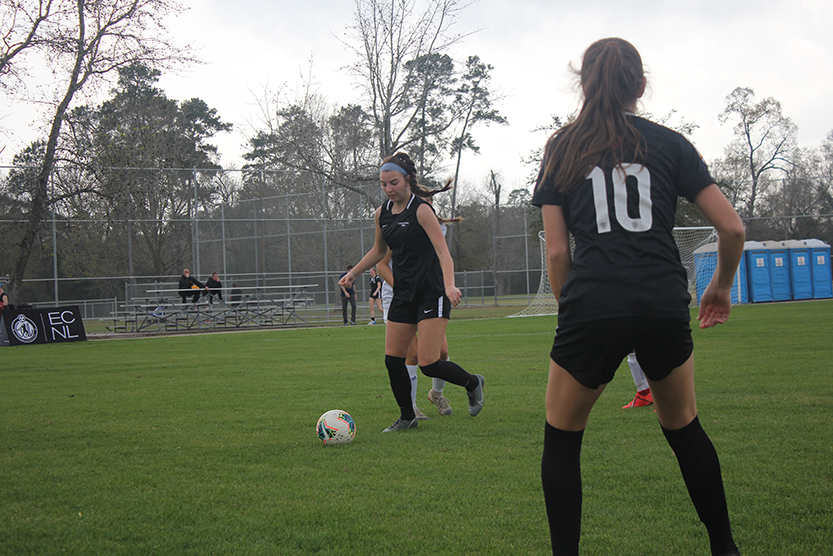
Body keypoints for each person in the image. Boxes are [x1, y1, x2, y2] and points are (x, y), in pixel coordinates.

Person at [532, 38, 744, 556]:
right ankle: (726, 549)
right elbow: (732, 228)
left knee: (562, 438)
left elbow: (558, 254)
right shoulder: (671, 144)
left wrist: (575, 310)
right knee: (684, 427)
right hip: (660, 301)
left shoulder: (562, 147)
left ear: (582, 83)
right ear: (640, 86)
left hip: (593, 303)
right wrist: (718, 288)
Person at [338, 152, 484, 432]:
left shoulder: (421, 210)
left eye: (393, 182)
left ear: (407, 180)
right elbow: (379, 251)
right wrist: (353, 272)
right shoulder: (382, 213)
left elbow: (443, 253)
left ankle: (472, 382)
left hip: (432, 293)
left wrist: (450, 285)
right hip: (404, 294)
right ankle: (408, 417)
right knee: (393, 360)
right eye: (383, 184)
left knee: (429, 363)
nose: (388, 189)